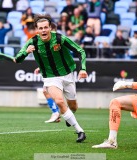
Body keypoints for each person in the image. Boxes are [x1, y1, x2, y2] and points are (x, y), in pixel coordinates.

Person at [14, 13, 88, 143]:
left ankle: (69, 116)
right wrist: (26, 52)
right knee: (59, 101)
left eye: (45, 27)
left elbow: (80, 51)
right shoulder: (32, 42)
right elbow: (17, 59)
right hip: (50, 77)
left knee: (73, 106)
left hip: (67, 75)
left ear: (50, 28)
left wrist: (83, 68)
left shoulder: (60, 39)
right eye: (40, 28)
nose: (43, 30)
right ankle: (79, 131)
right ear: (37, 30)